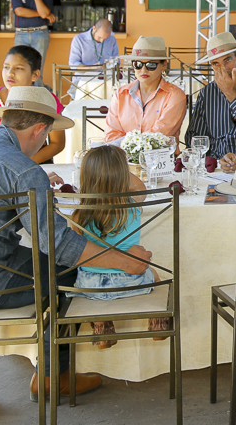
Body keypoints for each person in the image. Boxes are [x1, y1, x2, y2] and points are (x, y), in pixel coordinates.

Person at [0, 87, 151, 409]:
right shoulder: (24, 170)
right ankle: (54, 376)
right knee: (66, 270)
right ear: (40, 130)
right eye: (48, 134)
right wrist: (122, 260)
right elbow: (60, 244)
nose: (45, 142)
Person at [67, 145, 168, 349]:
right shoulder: (131, 205)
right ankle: (157, 322)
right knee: (156, 274)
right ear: (124, 175)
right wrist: (120, 171)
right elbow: (141, 187)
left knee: (86, 270)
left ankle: (102, 325)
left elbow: (76, 247)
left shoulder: (79, 214)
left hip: (90, 286)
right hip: (130, 281)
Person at [186, 32, 236, 172]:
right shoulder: (207, 93)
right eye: (215, 64)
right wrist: (219, 159)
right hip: (217, 171)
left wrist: (231, 95)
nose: (223, 68)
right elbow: (194, 139)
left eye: (227, 60)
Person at [102, 36, 188, 143]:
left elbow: (159, 135)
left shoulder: (174, 95)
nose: (143, 70)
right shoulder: (120, 94)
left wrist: (127, 145)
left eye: (151, 65)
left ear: (163, 65)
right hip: (122, 157)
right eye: (137, 64)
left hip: (160, 158)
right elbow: (111, 134)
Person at [10, 0, 56, 74]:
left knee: (37, 67)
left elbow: (45, 13)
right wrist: (42, 14)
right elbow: (19, 11)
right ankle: (21, 90)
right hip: (21, 34)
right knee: (19, 65)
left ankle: (37, 90)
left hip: (40, 33)